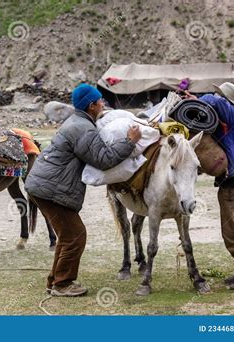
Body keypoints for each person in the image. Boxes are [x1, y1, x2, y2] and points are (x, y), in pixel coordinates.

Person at [25, 83, 141, 297]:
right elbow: (104, 159)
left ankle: (55, 280)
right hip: (49, 188)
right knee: (76, 235)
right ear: (91, 105)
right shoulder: (83, 129)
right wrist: (129, 142)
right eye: (100, 101)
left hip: (43, 185)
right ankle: (63, 284)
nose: (103, 104)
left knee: (67, 235)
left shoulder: (78, 122)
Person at [187, 82, 234, 289]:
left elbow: (214, 101)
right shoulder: (228, 124)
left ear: (226, 101)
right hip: (231, 185)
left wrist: (198, 100)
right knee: (231, 231)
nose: (214, 96)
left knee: (232, 232)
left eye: (218, 94)